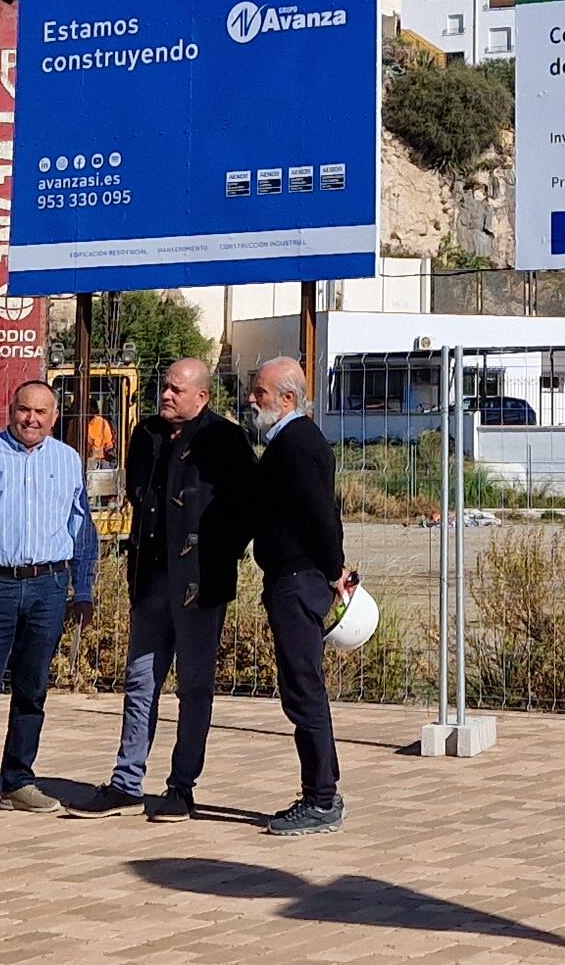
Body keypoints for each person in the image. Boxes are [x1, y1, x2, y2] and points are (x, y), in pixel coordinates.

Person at [72, 356, 255, 821]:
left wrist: (215, 554)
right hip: (150, 581)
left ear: (202, 396)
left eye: (177, 389)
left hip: (199, 586)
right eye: (164, 388)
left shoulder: (227, 440)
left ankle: (181, 787)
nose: (166, 395)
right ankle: (126, 782)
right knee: (140, 681)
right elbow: (139, 494)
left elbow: (245, 511)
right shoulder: (147, 434)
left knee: (194, 688)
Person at [0, 379, 98, 814]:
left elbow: (82, 529)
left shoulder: (68, 460)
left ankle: (18, 781)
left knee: (33, 691)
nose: (31, 419)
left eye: (41, 413)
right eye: (23, 410)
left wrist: (82, 589)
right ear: (11, 411)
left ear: (54, 417)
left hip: (48, 586)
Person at [245, 355, 352, 838]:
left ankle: (321, 798)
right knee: (303, 687)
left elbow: (321, 516)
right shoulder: (291, 441)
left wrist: (333, 571)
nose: (252, 400)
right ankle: (323, 789)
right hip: (295, 578)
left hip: (298, 581)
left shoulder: (296, 443)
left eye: (261, 393)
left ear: (287, 398)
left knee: (303, 689)